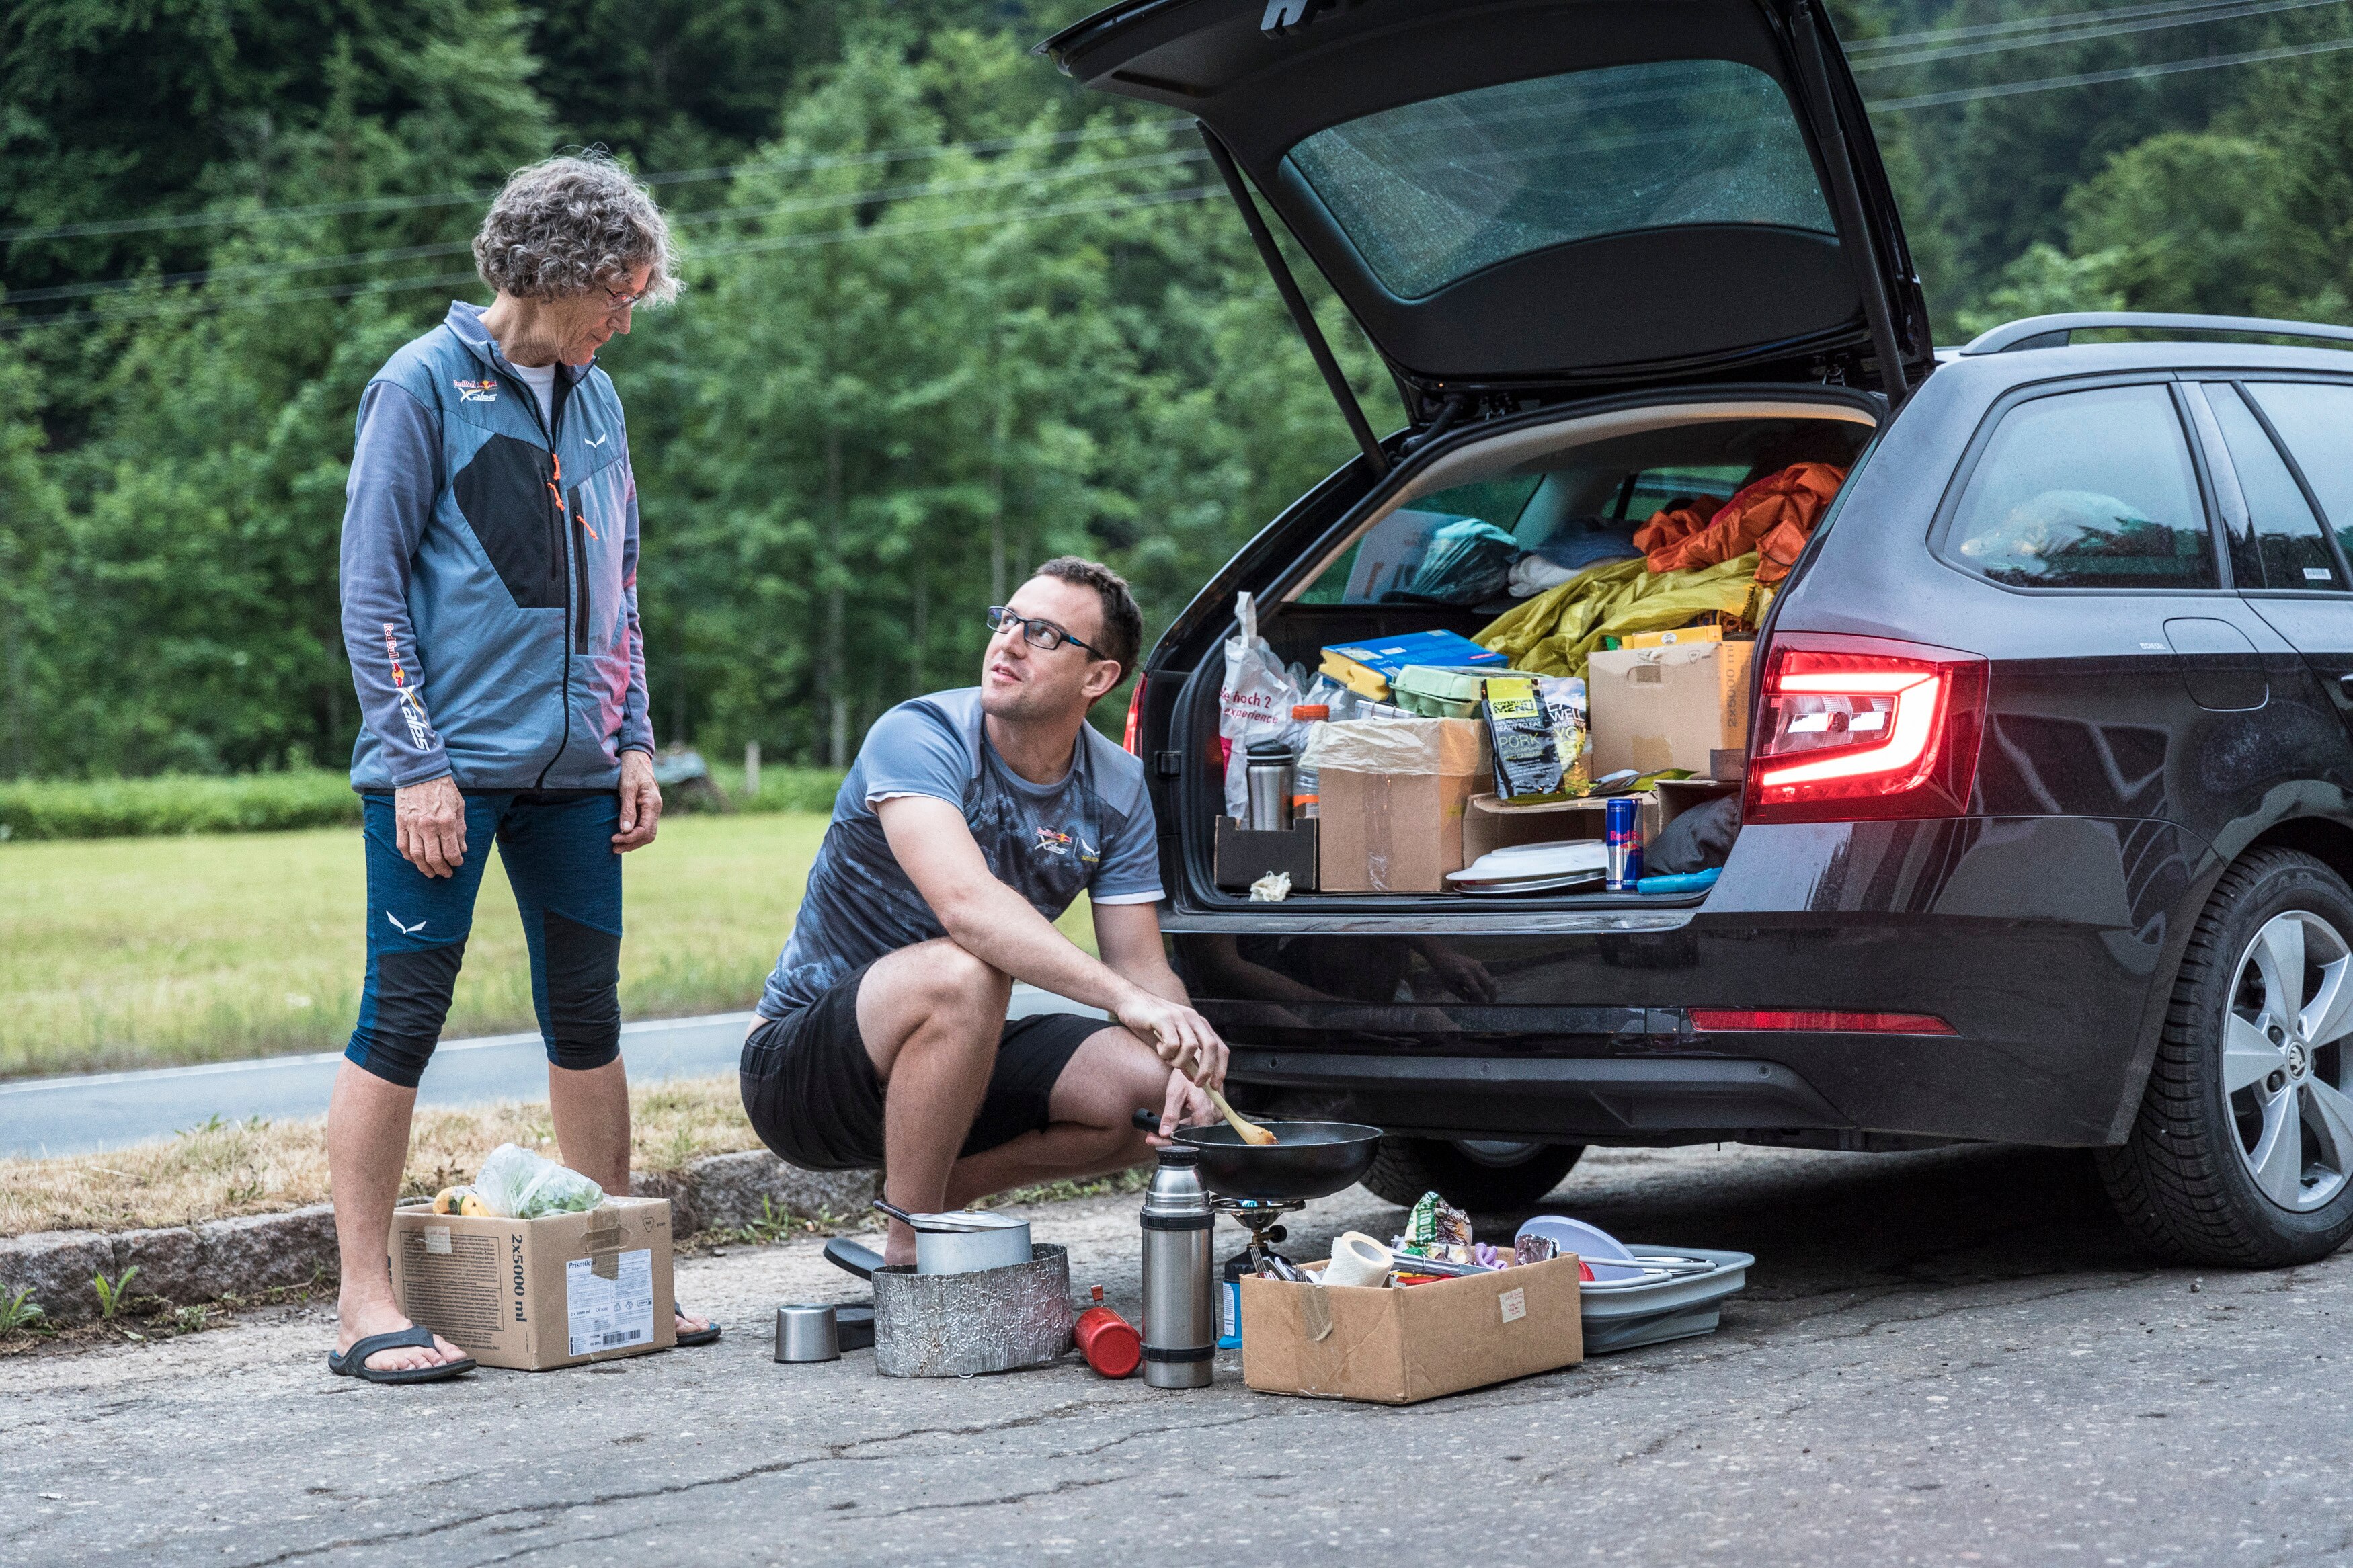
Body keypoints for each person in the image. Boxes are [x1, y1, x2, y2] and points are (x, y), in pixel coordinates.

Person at [327, 154, 714, 1383]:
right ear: (561, 275)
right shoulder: (422, 385)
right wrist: (416, 765)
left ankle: (611, 1274)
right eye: (622, 294)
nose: (628, 318)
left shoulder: (596, 398)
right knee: (402, 1016)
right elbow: (371, 589)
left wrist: (636, 735)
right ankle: (362, 1302)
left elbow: (622, 588)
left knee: (589, 1017)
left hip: (577, 774)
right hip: (442, 771)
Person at [742, 557, 1228, 1267]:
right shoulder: (921, 733)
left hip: (955, 1058)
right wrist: (1128, 1002)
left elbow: (1140, 961)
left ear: (1098, 677)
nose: (1007, 642)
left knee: (1159, 1093)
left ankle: (933, 1194)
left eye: (1042, 633)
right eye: (1006, 620)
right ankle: (911, 1254)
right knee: (968, 969)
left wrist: (1188, 1053)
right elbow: (968, 908)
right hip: (803, 1070)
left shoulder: (1116, 787)